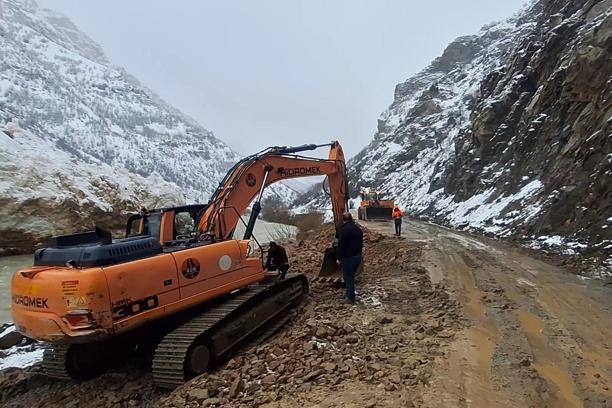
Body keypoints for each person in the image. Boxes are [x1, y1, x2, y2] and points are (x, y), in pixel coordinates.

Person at [336, 212, 363, 304]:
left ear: (343, 220)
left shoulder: (344, 230)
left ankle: (350, 298)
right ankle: (349, 294)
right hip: (358, 257)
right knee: (351, 277)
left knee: (348, 278)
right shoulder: (358, 229)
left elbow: (341, 245)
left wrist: (338, 258)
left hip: (348, 258)